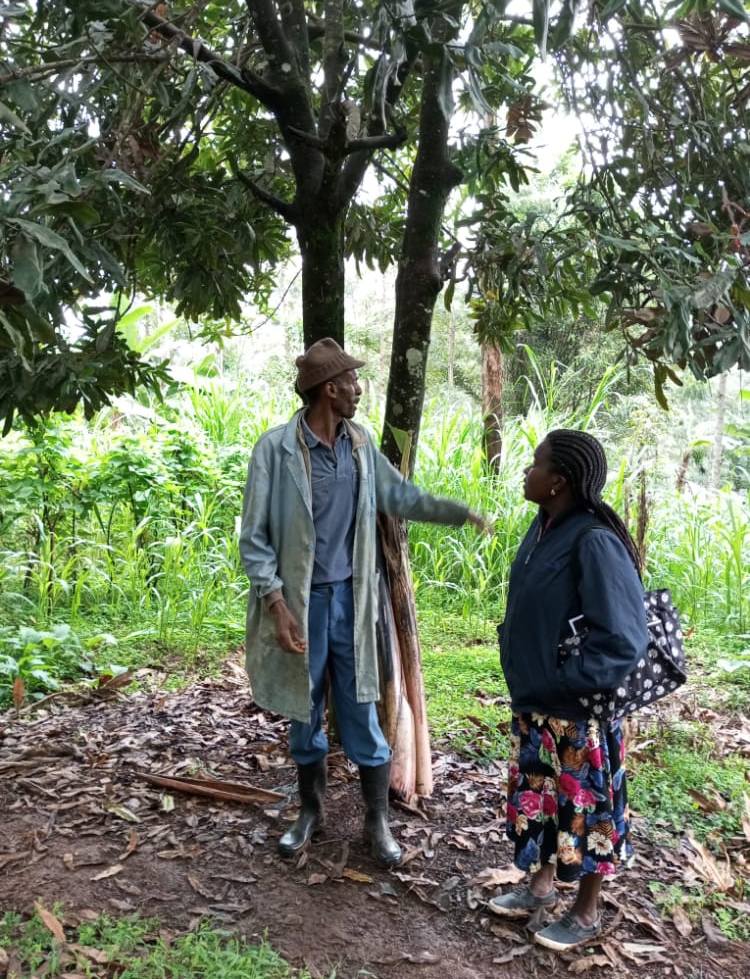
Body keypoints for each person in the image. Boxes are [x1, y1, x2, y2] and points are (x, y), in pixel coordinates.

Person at [239, 337, 490, 868]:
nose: (358, 389)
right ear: (329, 390)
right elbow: (255, 538)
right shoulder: (275, 450)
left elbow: (400, 495)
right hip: (301, 605)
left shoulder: (359, 446)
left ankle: (376, 822)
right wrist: (277, 604)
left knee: (360, 704)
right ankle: (310, 812)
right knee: (303, 708)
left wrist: (456, 512)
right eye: (351, 381)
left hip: (353, 602)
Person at [490, 429, 648, 952]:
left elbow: (624, 637)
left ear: (558, 480)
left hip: (575, 712)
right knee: (543, 801)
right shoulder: (545, 526)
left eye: (535, 463)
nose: (527, 471)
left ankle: (586, 911)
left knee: (589, 812)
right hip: (537, 704)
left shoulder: (593, 539)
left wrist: (568, 681)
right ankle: (540, 885)